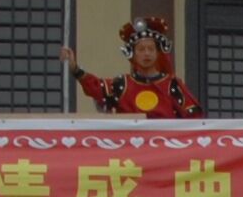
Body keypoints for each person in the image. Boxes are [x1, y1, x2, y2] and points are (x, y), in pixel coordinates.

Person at [73, 12, 204, 119]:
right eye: (141, 49)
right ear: (133, 54)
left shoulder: (172, 84)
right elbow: (96, 87)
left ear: (158, 53)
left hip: (165, 147)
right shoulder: (121, 84)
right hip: (130, 147)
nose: (146, 54)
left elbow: (193, 116)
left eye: (151, 49)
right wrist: (75, 69)